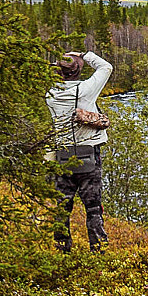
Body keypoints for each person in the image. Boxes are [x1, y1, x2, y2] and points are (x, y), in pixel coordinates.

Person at [45, 49, 113, 251]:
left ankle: (62, 250)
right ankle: (99, 250)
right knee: (93, 209)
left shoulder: (50, 96)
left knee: (62, 208)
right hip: (89, 156)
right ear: (78, 71)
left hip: (62, 158)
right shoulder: (86, 89)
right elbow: (106, 67)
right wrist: (85, 55)